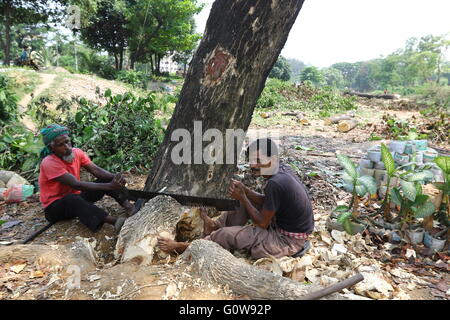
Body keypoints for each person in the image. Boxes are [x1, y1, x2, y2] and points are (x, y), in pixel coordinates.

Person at [157, 138, 314, 260]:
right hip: (281, 227)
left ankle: (182, 246)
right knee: (242, 203)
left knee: (226, 234)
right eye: (252, 160)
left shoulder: (276, 183)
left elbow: (262, 223)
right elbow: (267, 202)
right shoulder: (282, 170)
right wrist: (245, 192)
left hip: (286, 241)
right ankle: (215, 226)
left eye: (259, 160)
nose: (253, 165)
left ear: (272, 159)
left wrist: (244, 197)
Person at [38, 124, 136, 233]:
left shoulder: (77, 152)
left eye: (67, 141)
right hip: (55, 208)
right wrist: (109, 186)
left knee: (105, 180)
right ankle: (115, 222)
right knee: (72, 199)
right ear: (52, 148)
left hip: (76, 198)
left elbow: (96, 171)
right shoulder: (49, 163)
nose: (67, 147)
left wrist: (115, 177)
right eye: (60, 145)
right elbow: (76, 184)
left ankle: (128, 206)